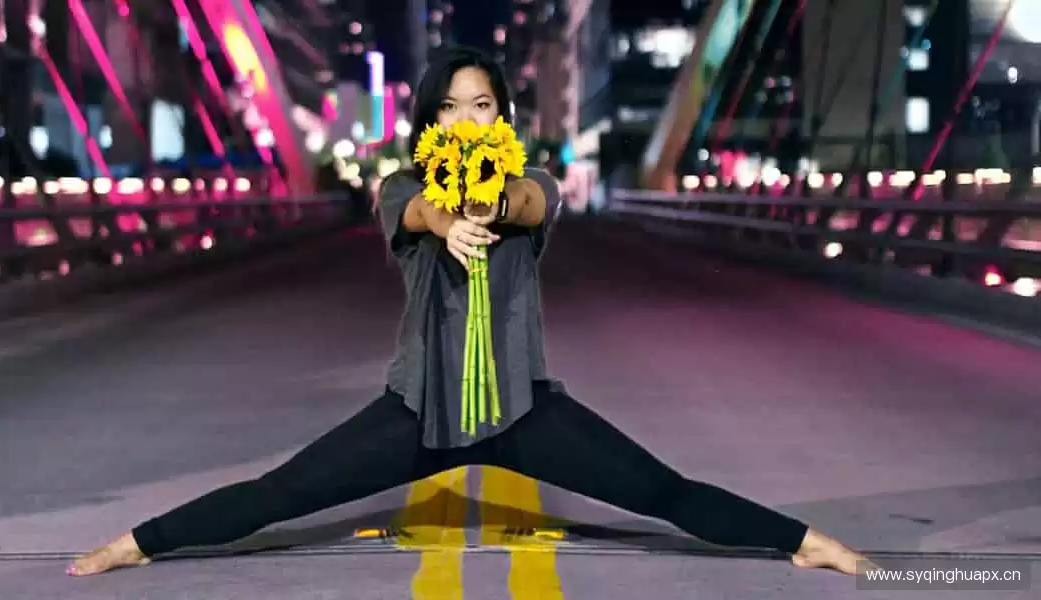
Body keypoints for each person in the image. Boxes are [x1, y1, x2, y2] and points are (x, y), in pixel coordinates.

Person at [68, 46, 867, 578]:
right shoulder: (401, 189)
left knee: (663, 492)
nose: (467, 118)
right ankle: (138, 543)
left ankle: (803, 541)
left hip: (522, 413)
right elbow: (420, 214)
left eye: (482, 104)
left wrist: (491, 203)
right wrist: (450, 220)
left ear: (502, 117)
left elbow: (525, 202)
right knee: (280, 494)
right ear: (431, 121)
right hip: (419, 414)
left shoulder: (533, 184)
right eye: (451, 107)